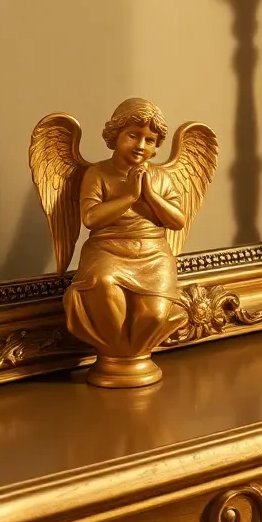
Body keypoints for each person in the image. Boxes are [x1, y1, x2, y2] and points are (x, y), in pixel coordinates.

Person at [63, 98, 186, 385]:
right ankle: (117, 353)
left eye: (150, 140)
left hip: (153, 253)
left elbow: (178, 220)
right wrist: (129, 196)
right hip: (107, 249)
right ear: (115, 135)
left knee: (154, 316)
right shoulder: (97, 173)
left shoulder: (161, 177)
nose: (141, 145)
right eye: (133, 135)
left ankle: (129, 355)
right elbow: (91, 219)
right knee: (104, 285)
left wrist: (150, 195)